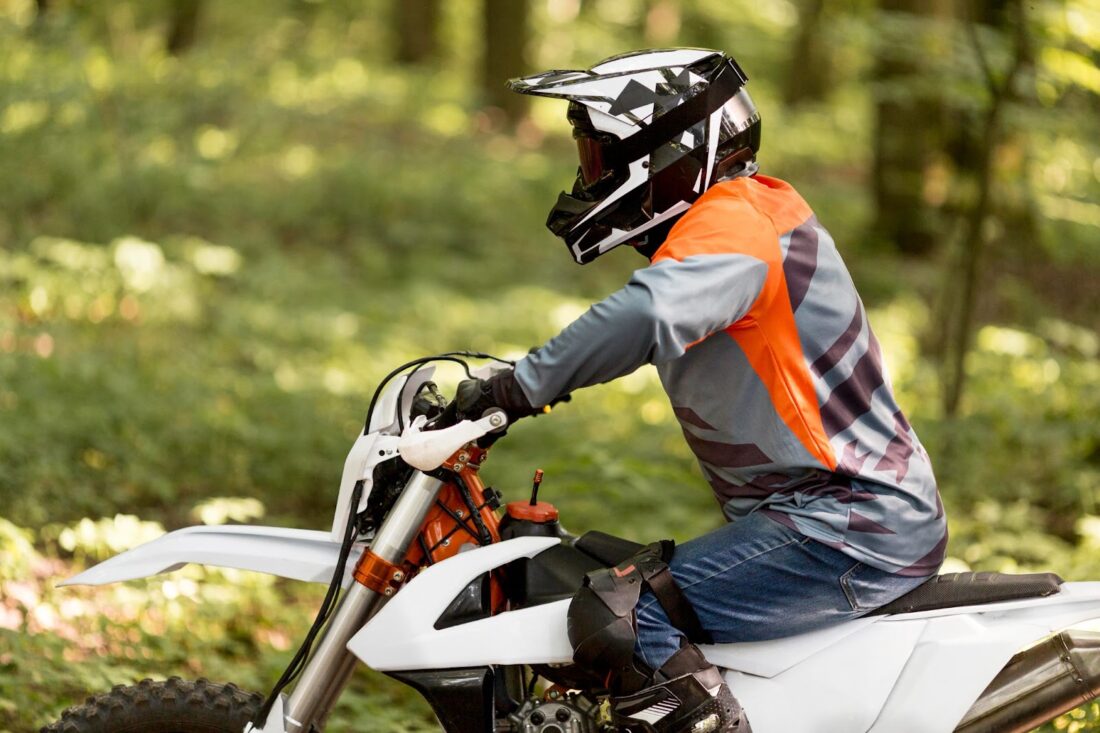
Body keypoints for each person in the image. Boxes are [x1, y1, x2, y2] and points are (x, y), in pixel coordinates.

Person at [454, 48, 947, 733]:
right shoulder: (745, 214)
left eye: (600, 159)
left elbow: (647, 314)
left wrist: (513, 390)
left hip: (844, 524)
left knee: (622, 612)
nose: (587, 176)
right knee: (587, 567)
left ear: (664, 158)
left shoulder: (735, 220)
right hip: (832, 516)